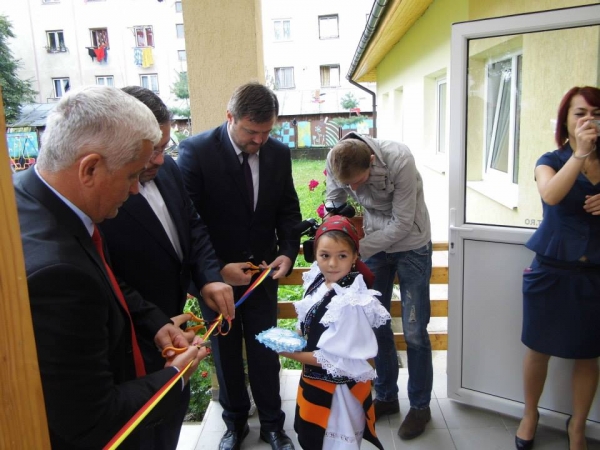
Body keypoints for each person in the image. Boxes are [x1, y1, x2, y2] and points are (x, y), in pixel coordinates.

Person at [13, 85, 207, 449]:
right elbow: (90, 419)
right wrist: (174, 376)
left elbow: (106, 279)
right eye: (132, 175)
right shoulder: (58, 275)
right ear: (89, 168)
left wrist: (154, 322)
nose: (136, 190)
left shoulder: (26, 197)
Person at [99, 86, 239, 450]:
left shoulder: (169, 171)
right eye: (151, 150)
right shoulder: (102, 196)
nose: (159, 159)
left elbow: (192, 225)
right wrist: (153, 321)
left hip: (175, 328)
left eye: (164, 147)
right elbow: (107, 273)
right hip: (134, 336)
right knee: (142, 431)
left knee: (170, 419)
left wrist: (207, 277)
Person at [177, 82, 302, 450]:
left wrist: (288, 252)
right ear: (229, 117)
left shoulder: (278, 153)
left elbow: (288, 209)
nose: (260, 140)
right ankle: (234, 424)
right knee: (225, 353)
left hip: (263, 274)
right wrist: (215, 273)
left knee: (265, 350)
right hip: (216, 280)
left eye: (267, 131)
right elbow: (190, 222)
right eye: (251, 131)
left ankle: (273, 425)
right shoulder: (197, 151)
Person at [325, 133, 433, 440]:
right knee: (376, 321)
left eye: (358, 181)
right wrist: (333, 220)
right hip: (374, 244)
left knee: (413, 330)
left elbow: (401, 222)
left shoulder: (400, 160)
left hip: (411, 243)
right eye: (349, 183)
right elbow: (336, 201)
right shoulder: (337, 160)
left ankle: (421, 406)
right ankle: (386, 396)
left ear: (371, 161)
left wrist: (357, 249)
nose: (354, 189)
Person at [516, 86, 600, 450]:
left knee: (588, 352)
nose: (589, 120)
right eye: (580, 113)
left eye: (596, 113)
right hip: (550, 271)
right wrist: (580, 154)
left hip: (595, 274)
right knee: (538, 347)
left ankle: (577, 426)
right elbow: (550, 195)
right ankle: (530, 413)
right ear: (566, 120)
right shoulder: (549, 159)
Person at [276, 215, 389, 449]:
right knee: (311, 435)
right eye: (324, 255)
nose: (332, 264)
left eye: (342, 256)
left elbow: (332, 359)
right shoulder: (318, 280)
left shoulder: (351, 301)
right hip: (314, 381)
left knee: (331, 441)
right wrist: (294, 336)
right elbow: (309, 318)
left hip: (338, 392)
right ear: (315, 254)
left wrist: (286, 351)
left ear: (355, 257)